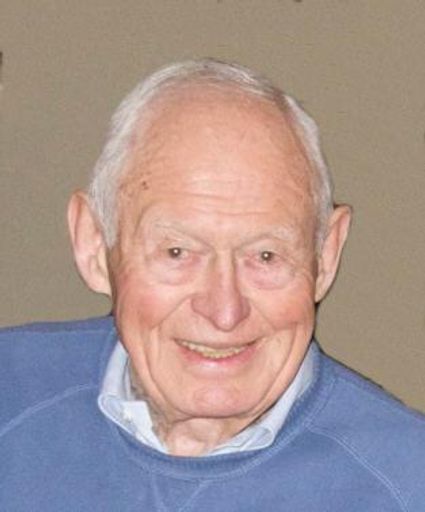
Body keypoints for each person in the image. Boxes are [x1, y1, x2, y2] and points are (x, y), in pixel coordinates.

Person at [1, 59, 424, 511]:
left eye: (265, 256)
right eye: (177, 252)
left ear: (325, 255)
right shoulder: (12, 397)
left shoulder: (408, 483)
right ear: (93, 244)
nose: (224, 311)